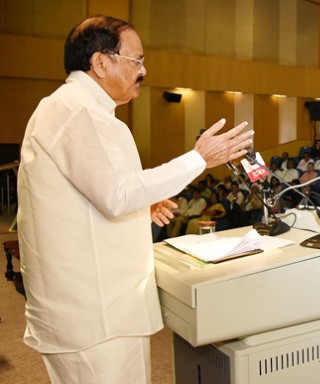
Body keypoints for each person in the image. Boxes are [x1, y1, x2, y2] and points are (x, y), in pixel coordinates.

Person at [16, 16, 252, 383]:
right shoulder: (77, 111)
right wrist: (199, 159)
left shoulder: (78, 109)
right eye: (136, 60)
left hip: (94, 310)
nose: (143, 70)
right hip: (95, 317)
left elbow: (93, 197)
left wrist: (143, 205)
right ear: (100, 62)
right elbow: (116, 195)